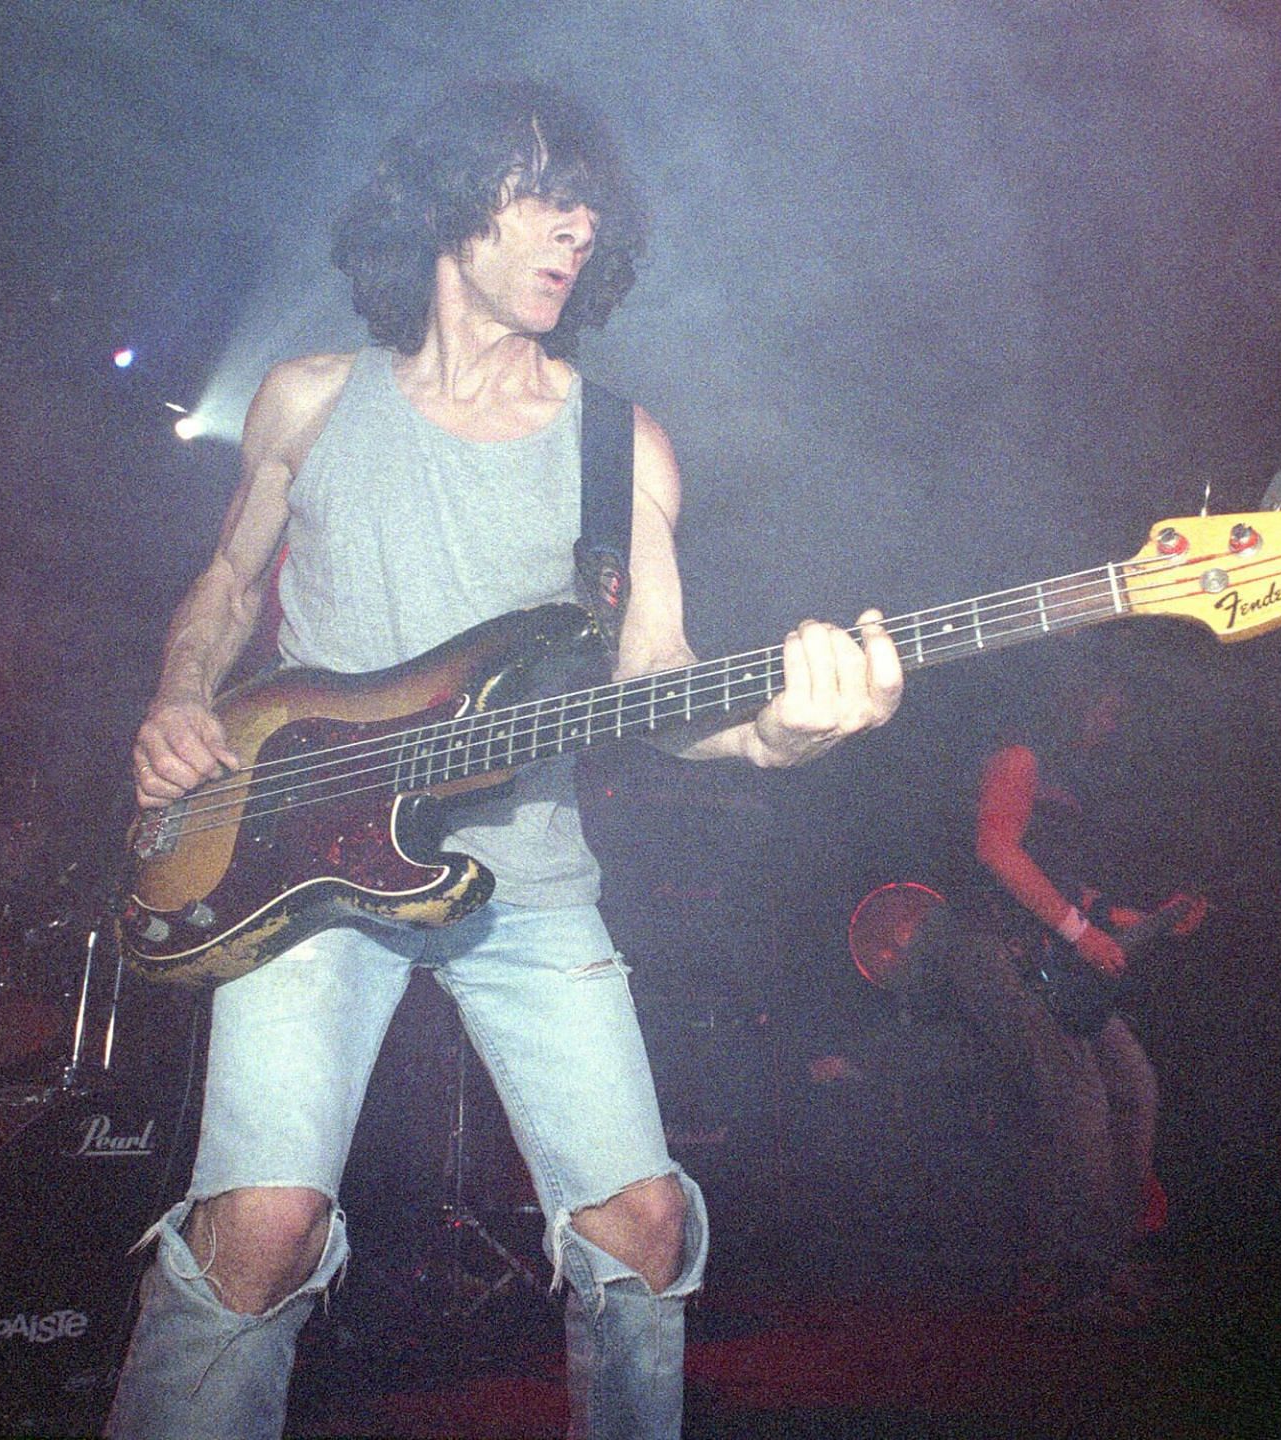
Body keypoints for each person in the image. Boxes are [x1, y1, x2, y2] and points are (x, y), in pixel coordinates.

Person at [108, 78, 903, 1440]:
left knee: (643, 1227)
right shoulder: (309, 399)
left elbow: (653, 681)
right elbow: (231, 583)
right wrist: (183, 695)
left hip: (525, 878)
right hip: (293, 864)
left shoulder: (620, 446)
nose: (577, 228)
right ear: (442, 206)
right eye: (544, 193)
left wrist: (773, 732)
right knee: (264, 1229)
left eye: (593, 209)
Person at [944, 678, 1204, 1327]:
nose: (1110, 724)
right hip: (997, 952)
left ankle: (1107, 1259)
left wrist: (1146, 920)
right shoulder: (1018, 757)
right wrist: (1080, 933)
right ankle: (1072, 1275)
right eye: (1105, 708)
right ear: (1069, 698)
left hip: (1053, 959)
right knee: (1079, 1101)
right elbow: (995, 849)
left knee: (1133, 1088)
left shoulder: (1072, 788)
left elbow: (1071, 896)